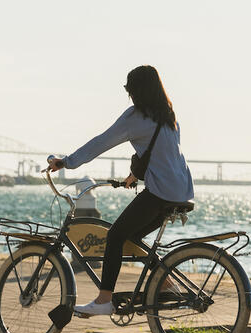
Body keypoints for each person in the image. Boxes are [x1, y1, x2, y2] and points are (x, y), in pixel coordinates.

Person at [47, 65, 194, 315]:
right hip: (182, 191)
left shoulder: (136, 116)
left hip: (160, 192)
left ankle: (104, 300)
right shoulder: (168, 115)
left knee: (115, 236)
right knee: (131, 237)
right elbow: (163, 155)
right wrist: (135, 175)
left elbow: (101, 142)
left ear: (136, 91)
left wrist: (67, 161)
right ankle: (166, 284)